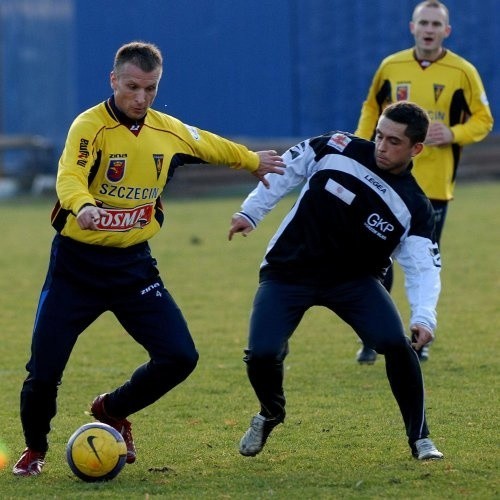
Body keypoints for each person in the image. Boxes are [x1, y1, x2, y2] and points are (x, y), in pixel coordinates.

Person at [12, 41, 285, 477]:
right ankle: (34, 450)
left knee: (180, 356)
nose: (140, 98)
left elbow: (209, 144)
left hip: (133, 267)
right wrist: (82, 205)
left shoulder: (166, 130)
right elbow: (70, 174)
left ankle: (112, 408)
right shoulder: (89, 126)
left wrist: (251, 160)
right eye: (132, 87)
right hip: (75, 267)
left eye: (151, 89)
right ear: (113, 80)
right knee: (43, 370)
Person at [229, 101, 444, 461]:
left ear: (416, 149)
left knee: (396, 344)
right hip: (288, 271)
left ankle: (420, 438)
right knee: (262, 354)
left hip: (354, 282)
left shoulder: (415, 205)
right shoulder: (337, 146)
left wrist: (424, 315)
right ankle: (270, 413)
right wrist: (250, 211)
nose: (382, 146)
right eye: (379, 136)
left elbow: (424, 266)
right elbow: (286, 169)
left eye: (394, 141)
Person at [354, 0, 493, 364]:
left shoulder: (462, 72)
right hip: (386, 181)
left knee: (422, 264)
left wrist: (453, 132)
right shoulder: (391, 66)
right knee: (374, 260)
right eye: (423, 23)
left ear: (446, 31)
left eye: (436, 24)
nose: (429, 29)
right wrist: (364, 142)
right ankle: (373, 336)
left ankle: (421, 334)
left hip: (432, 185)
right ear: (412, 26)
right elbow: (372, 106)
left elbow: (484, 119)